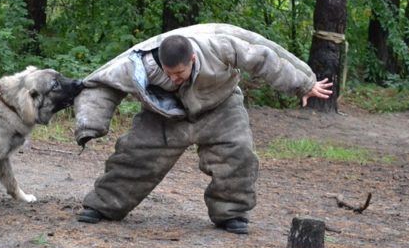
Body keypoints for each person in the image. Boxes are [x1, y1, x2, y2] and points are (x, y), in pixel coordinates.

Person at [74, 23, 333, 234]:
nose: (175, 78)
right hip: (164, 115)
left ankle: (231, 213)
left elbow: (265, 56)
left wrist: (303, 83)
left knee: (238, 154)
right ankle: (104, 204)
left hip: (221, 105)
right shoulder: (138, 63)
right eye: (169, 73)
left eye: (180, 73)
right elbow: (99, 84)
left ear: (193, 58)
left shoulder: (219, 44)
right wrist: (90, 124)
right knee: (135, 156)